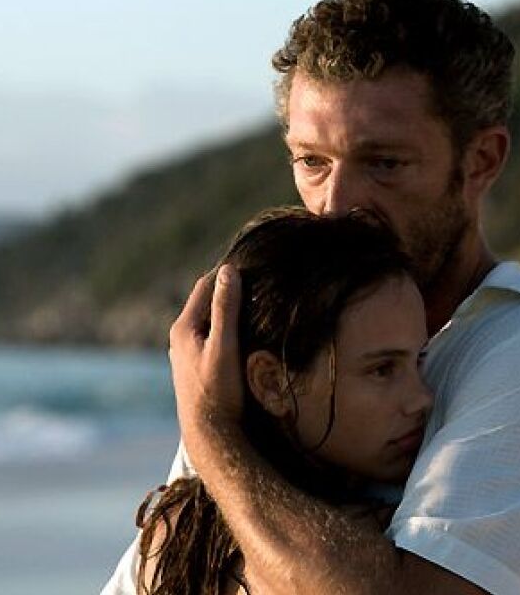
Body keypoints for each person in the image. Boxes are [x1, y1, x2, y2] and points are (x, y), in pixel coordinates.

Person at [104, 0, 520, 593]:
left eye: (384, 163)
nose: (337, 206)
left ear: (481, 161)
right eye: (312, 162)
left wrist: (212, 435)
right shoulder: (278, 345)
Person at [116, 207, 432, 594]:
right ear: (273, 383)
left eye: (420, 360)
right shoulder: (185, 539)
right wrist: (210, 426)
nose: (421, 399)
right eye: (382, 370)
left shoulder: (183, 530)